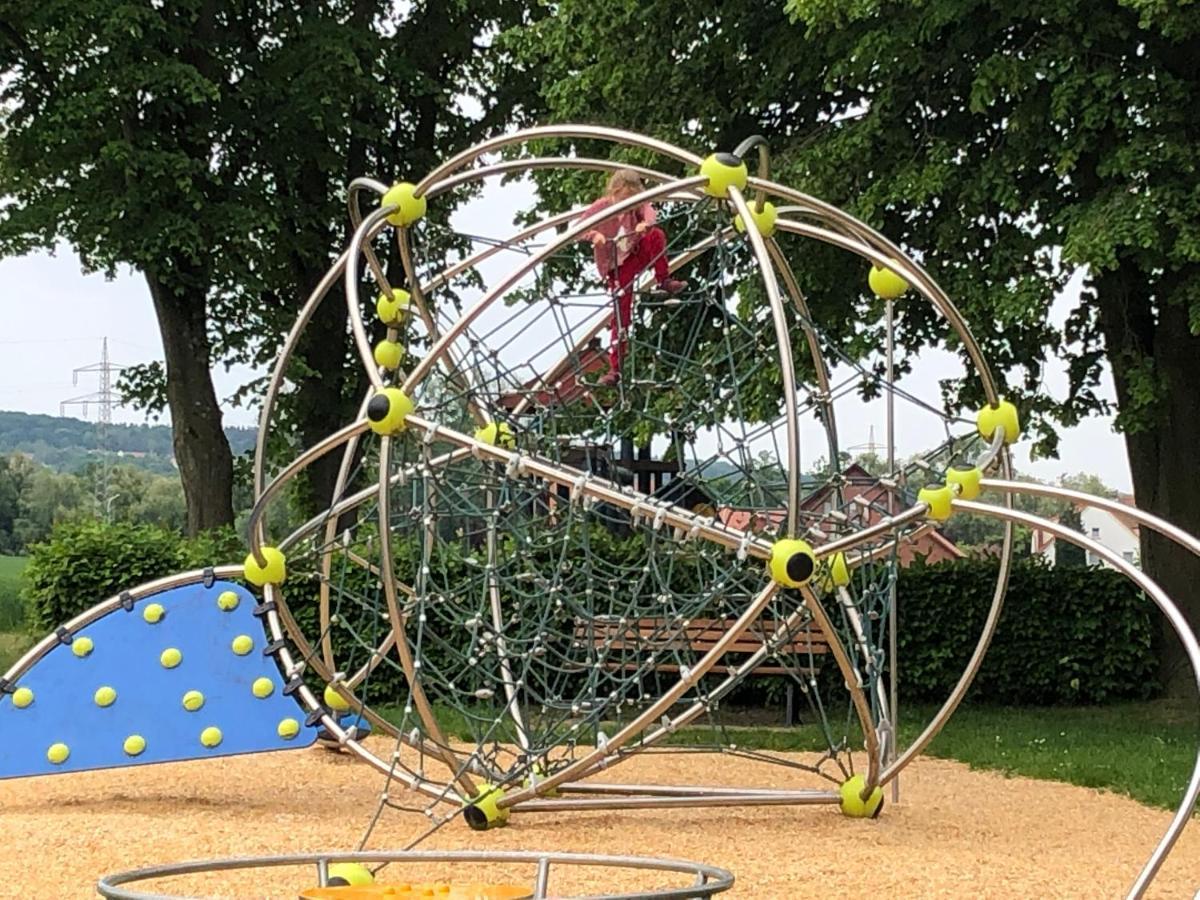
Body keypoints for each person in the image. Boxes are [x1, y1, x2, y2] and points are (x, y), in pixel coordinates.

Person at [580, 169, 687, 382]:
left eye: (632, 198)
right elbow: (580, 227)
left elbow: (649, 212)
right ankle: (615, 369)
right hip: (617, 266)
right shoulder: (602, 207)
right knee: (621, 314)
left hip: (635, 253)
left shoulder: (637, 207)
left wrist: (644, 224)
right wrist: (594, 235)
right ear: (615, 192)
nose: (628, 203)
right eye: (624, 198)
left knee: (656, 235)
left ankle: (663, 279)